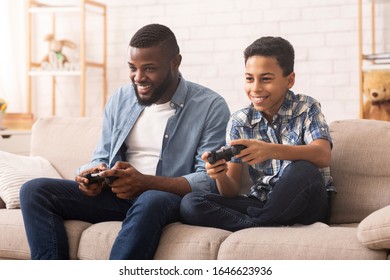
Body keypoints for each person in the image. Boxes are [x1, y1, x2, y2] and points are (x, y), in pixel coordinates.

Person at [19, 23, 230, 259]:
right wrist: (91, 175)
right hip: (117, 196)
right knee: (34, 190)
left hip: (164, 199)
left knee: (151, 199)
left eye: (149, 68)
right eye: (132, 68)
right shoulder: (121, 98)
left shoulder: (210, 105)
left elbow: (208, 180)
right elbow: (102, 155)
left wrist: (146, 183)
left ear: (175, 62)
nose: (138, 77)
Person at [180, 36, 335, 231]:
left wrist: (271, 150)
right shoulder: (239, 121)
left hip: (307, 204)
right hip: (263, 202)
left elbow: (322, 155)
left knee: (302, 168)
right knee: (191, 203)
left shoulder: (306, 107)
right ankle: (265, 225)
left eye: (266, 79)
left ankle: (258, 224)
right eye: (249, 79)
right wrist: (219, 175)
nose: (255, 88)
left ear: (290, 80)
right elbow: (231, 190)